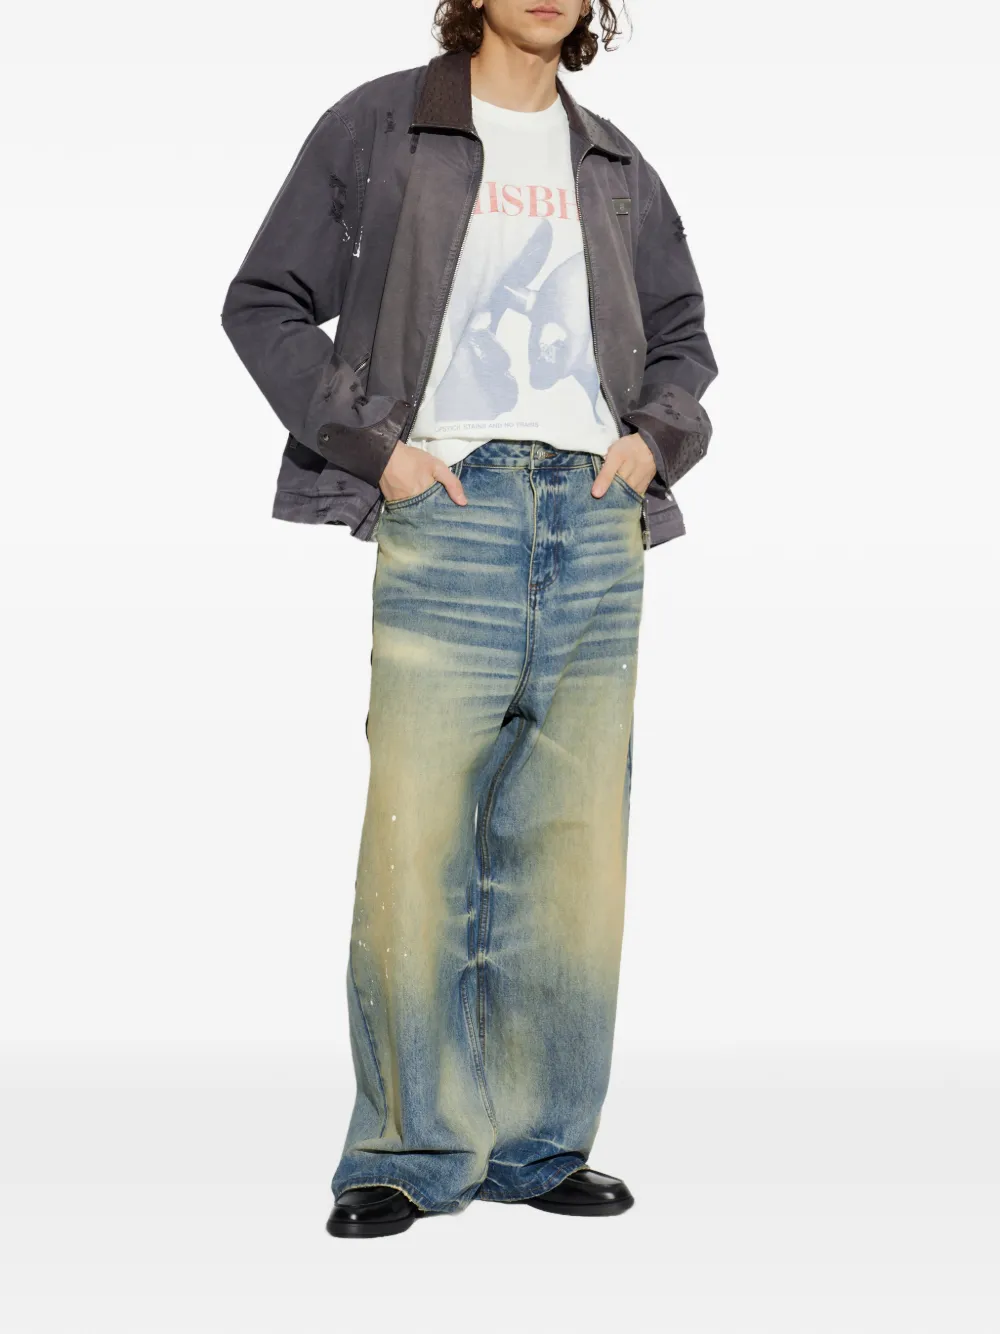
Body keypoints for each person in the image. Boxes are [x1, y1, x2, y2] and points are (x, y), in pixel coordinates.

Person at [221, 0, 717, 1239]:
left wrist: (650, 445)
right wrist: (376, 451)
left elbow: (681, 338)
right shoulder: (383, 125)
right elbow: (264, 299)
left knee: (572, 850)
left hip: (594, 521)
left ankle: (541, 1145)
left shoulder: (612, 162)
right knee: (418, 843)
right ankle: (406, 1150)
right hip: (450, 505)